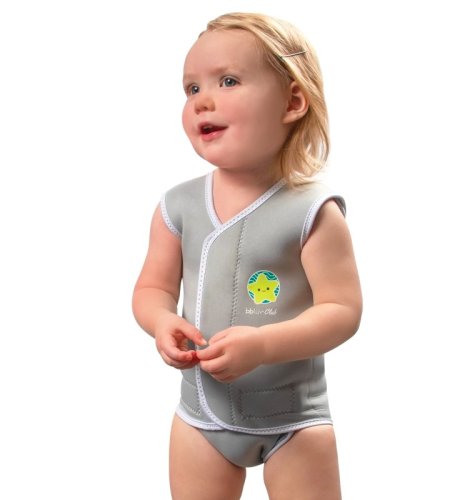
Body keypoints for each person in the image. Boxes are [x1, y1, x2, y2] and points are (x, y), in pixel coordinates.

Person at [132, 12, 362, 500]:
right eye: (192, 88)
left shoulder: (312, 212)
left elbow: (342, 311)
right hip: (200, 418)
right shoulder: (178, 206)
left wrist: (263, 345)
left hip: (294, 421)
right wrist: (160, 322)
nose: (202, 100)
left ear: (292, 101)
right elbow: (152, 287)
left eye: (229, 81)